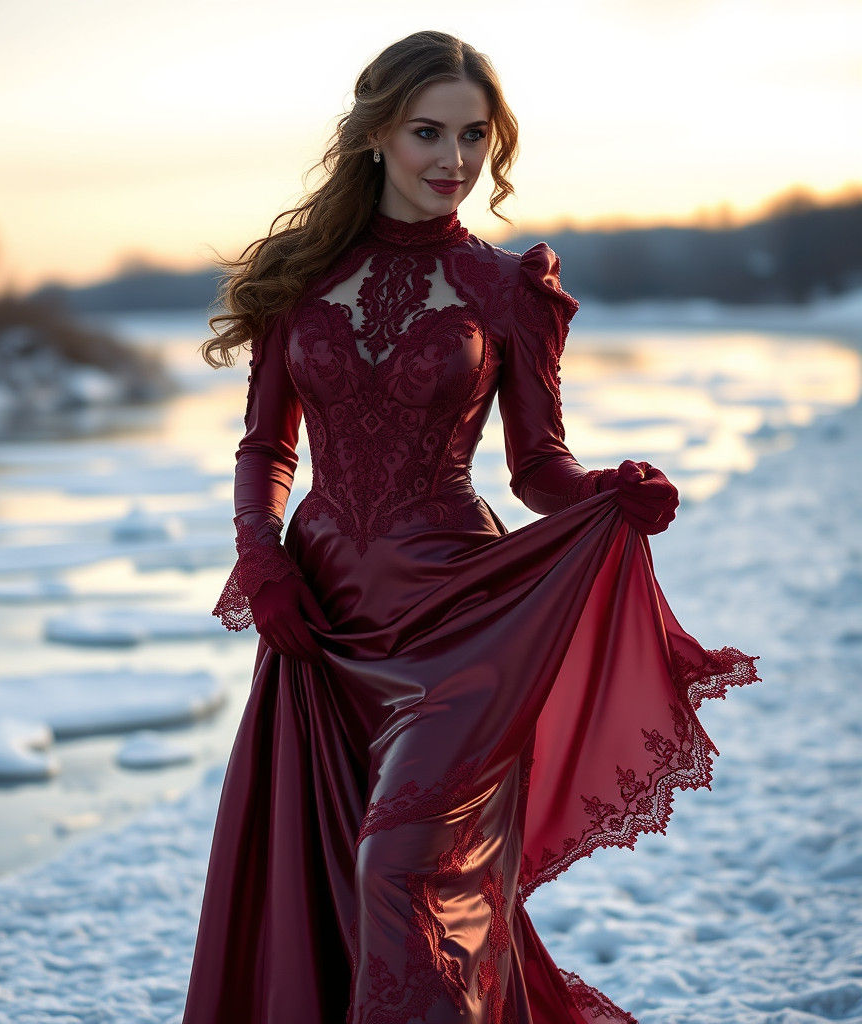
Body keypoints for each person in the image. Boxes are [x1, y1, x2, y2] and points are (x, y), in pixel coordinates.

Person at [184, 29, 760, 1024]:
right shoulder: (298, 280)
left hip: (462, 623)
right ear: (373, 135)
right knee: (331, 887)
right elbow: (264, 451)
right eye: (426, 132)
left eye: (472, 135)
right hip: (320, 622)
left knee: (398, 867)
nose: (453, 160)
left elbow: (536, 466)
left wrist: (603, 497)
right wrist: (262, 560)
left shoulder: (505, 287)